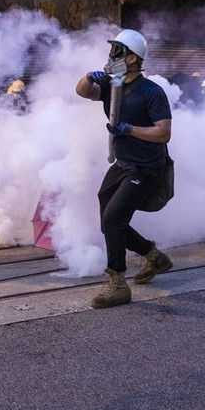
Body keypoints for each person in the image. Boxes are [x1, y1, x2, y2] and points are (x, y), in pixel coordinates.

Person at [75, 29, 173, 309]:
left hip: (146, 167)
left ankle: (117, 283)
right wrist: (88, 77)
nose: (111, 56)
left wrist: (129, 129)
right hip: (123, 164)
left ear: (132, 58)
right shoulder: (111, 84)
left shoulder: (151, 91)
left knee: (114, 218)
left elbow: (163, 133)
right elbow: (83, 92)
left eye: (117, 50)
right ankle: (153, 256)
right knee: (108, 219)